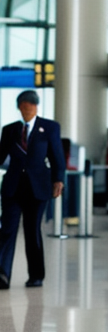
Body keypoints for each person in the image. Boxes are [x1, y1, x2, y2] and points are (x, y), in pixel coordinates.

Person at [0, 90, 66, 289]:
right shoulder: (10, 130)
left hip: (38, 188)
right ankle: (2, 274)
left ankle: (36, 275)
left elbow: (57, 157)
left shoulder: (49, 127)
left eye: (31, 105)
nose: (28, 108)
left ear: (36, 107)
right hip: (12, 187)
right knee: (7, 230)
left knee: (32, 231)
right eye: (24, 105)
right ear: (19, 107)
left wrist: (58, 180)